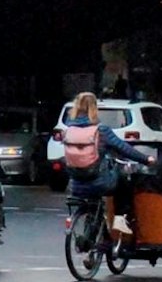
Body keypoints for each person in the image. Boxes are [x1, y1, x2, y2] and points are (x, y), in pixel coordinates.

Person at [61, 91, 155, 236]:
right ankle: (119, 218)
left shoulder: (68, 131)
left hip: (76, 184)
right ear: (94, 108)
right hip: (99, 183)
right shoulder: (101, 131)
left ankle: (90, 238)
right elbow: (123, 148)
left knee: (93, 203)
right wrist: (146, 159)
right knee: (123, 181)